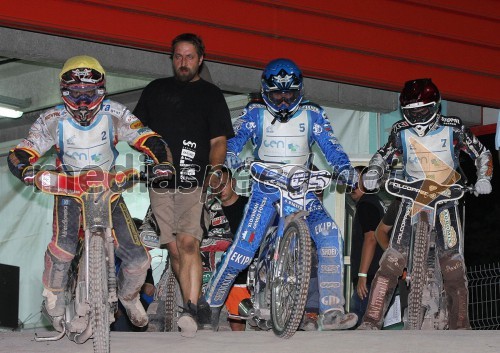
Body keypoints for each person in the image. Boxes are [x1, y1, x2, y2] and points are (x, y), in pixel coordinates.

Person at [6, 55, 173, 329]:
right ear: (64, 92)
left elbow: (148, 137)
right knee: (64, 247)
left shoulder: (116, 113)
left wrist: (163, 163)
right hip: (69, 188)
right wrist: (26, 169)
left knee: (139, 257)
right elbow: (21, 151)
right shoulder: (51, 119)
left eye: (89, 93)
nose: (83, 101)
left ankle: (128, 296)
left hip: (108, 187)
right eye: (75, 93)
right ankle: (53, 295)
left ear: (101, 90)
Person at [205, 58, 358, 331]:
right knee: (242, 251)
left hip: (303, 190)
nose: (285, 101)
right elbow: (235, 140)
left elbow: (331, 148)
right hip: (266, 190)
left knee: (330, 234)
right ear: (266, 90)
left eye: (290, 94)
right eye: (278, 95)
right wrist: (229, 157)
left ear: (300, 90)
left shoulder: (314, 114)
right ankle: (210, 305)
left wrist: (345, 169)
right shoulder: (254, 113)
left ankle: (332, 311)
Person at [360, 78, 493, 330]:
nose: (419, 117)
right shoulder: (400, 131)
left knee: (453, 263)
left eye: (424, 110)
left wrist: (484, 178)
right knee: (392, 258)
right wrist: (373, 172)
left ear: (437, 106)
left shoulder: (453, 127)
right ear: (404, 111)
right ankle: (370, 320)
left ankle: (460, 325)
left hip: (446, 197)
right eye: (413, 112)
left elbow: (482, 153)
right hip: (412, 196)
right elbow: (383, 154)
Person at [133, 33, 234, 337]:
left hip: (194, 180)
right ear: (172, 58)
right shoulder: (155, 90)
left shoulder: (211, 95)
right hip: (160, 181)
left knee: (190, 243)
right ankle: (198, 301)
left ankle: (189, 308)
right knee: (175, 250)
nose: (183, 62)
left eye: (190, 57)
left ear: (200, 59)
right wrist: (150, 152)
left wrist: (214, 171)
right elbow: (137, 133)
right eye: (178, 56)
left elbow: (218, 141)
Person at [205, 166, 250, 331]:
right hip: (225, 272)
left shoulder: (250, 206)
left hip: (251, 270)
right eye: (216, 185)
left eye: (224, 184)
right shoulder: (210, 211)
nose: (221, 189)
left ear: (234, 182)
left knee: (260, 322)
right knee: (236, 323)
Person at [348, 166, 386, 328]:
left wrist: (362, 275)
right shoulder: (376, 202)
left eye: (356, 183)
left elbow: (371, 238)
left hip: (369, 279)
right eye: (350, 184)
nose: (352, 188)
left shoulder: (366, 204)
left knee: (357, 324)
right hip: (375, 277)